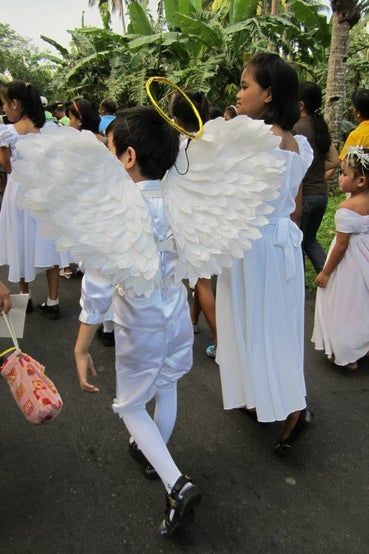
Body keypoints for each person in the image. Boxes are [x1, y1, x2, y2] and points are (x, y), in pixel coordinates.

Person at [74, 107, 201, 534]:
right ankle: (154, 453)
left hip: (140, 323)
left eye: (110, 149)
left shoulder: (119, 209)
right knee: (166, 386)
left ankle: (176, 483)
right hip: (177, 314)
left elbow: (97, 286)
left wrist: (81, 345)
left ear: (128, 157)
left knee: (130, 405)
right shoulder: (179, 198)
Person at [216, 53, 314, 453]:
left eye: (244, 85)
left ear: (268, 93)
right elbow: (294, 206)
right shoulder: (294, 143)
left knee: (254, 326)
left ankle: (292, 408)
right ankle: (277, 400)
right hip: (284, 244)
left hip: (254, 246)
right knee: (279, 329)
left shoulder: (251, 139)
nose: (238, 94)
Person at [0, 81, 69, 318]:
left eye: (5, 104)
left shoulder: (6, 131)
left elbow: (5, 166)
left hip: (19, 193)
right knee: (48, 243)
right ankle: (53, 300)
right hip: (45, 191)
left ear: (15, 104)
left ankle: (25, 296)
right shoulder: (51, 128)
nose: (4, 109)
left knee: (20, 242)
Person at [170, 91, 218, 358]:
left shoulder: (178, 145)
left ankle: (222, 342)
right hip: (211, 219)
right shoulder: (210, 142)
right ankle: (192, 321)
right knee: (201, 280)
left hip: (190, 221)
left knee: (201, 283)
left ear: (176, 117)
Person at [312, 147, 369, 370]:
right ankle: (362, 345)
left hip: (349, 264)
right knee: (362, 303)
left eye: (344, 174)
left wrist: (326, 272)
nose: (340, 177)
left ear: (361, 180)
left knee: (344, 304)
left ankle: (347, 354)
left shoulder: (347, 208)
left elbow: (342, 246)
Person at [293, 82, 340, 274]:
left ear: (301, 104)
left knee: (298, 244)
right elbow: (335, 160)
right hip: (321, 194)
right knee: (309, 240)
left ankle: (299, 289)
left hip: (306, 196)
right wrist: (318, 170)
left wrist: (309, 171)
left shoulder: (297, 128)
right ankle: (328, 275)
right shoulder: (320, 126)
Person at [340, 89, 369, 160]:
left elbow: (343, 162)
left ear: (358, 112)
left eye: (353, 107)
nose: (352, 109)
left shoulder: (356, 135)